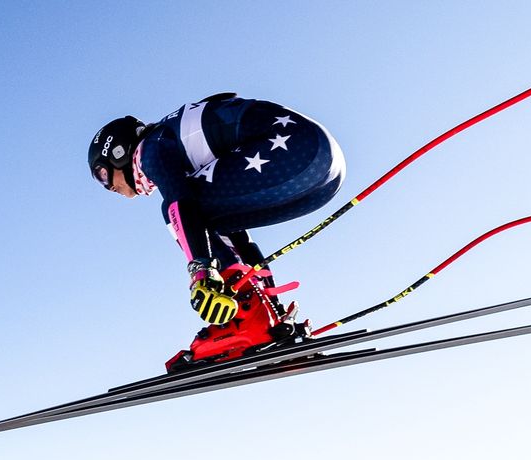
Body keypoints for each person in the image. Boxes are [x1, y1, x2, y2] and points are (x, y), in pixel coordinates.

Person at [88, 93, 345, 328]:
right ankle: (264, 310)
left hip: (294, 150)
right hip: (324, 171)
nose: (109, 187)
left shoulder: (149, 148)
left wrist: (201, 271)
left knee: (175, 210)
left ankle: (247, 313)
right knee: (213, 221)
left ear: (118, 152)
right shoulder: (171, 139)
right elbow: (238, 237)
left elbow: (180, 203)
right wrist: (273, 309)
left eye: (102, 174)